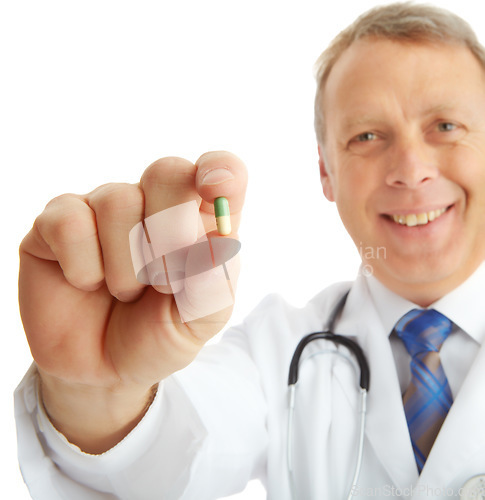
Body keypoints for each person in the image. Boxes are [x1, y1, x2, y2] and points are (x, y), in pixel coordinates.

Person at [14, 2, 485, 499]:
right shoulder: (277, 349)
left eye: (446, 126)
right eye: (367, 135)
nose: (410, 170)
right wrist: (97, 393)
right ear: (325, 172)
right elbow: (176, 459)